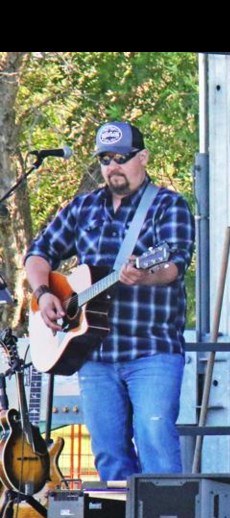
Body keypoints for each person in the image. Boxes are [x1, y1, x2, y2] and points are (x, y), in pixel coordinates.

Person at [25, 121, 195, 481]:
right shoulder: (82, 208)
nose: (112, 167)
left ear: (143, 158)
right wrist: (43, 296)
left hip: (152, 350)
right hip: (95, 355)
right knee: (108, 455)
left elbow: (174, 265)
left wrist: (145, 274)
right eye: (105, 159)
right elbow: (38, 254)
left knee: (155, 443)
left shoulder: (168, 205)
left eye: (121, 157)